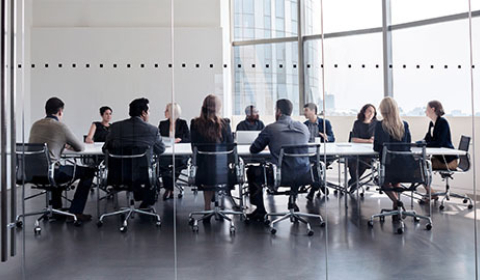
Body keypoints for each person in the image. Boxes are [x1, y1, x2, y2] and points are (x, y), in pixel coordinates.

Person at [29, 97, 95, 222]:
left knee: (55, 168)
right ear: (60, 112)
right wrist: (67, 144)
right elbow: (80, 147)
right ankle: (76, 212)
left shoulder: (35, 125)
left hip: (33, 172)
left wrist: (60, 143)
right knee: (88, 172)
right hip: (52, 172)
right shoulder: (60, 126)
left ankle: (56, 208)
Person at [247, 99, 311, 221]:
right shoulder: (304, 128)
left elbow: (254, 149)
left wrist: (270, 144)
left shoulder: (271, 128)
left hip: (280, 176)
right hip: (304, 175)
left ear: (279, 111)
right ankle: (292, 200)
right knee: (295, 165)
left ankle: (260, 211)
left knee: (252, 171)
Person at [103, 98, 165, 208]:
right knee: (153, 167)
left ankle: (139, 197)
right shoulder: (152, 130)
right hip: (143, 176)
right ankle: (145, 202)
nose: (149, 113)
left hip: (117, 175)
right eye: (148, 111)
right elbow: (161, 150)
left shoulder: (115, 127)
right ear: (143, 113)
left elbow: (105, 149)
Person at [190, 94, 234, 215]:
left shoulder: (195, 123)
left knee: (208, 170)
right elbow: (230, 146)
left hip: (203, 170)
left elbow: (194, 147)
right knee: (216, 169)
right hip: (223, 170)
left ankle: (207, 206)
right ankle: (219, 203)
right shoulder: (225, 123)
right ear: (218, 108)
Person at [373, 97, 411, 220]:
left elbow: (377, 147)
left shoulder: (380, 125)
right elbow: (408, 145)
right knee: (396, 179)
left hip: (388, 165)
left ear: (383, 110)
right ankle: (396, 207)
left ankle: (396, 201)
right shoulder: (404, 124)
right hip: (405, 166)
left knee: (382, 181)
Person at [420, 100, 458, 201]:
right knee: (419, 164)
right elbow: (427, 139)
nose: (425, 111)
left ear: (433, 109)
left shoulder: (443, 122)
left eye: (426, 109)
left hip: (449, 161)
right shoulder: (432, 123)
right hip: (440, 159)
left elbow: (439, 143)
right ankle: (431, 193)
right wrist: (418, 143)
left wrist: (424, 144)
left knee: (421, 166)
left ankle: (431, 193)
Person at [158, 103, 190, 200]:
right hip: (166, 151)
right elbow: (158, 138)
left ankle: (169, 189)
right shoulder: (162, 124)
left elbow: (188, 138)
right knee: (163, 163)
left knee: (177, 162)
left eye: (166, 110)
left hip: (179, 152)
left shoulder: (182, 123)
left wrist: (179, 140)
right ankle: (170, 188)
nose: (164, 112)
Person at [347, 104, 378, 193]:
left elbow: (376, 139)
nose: (371, 114)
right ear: (364, 112)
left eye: (373, 112)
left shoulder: (377, 123)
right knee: (351, 160)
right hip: (356, 150)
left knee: (365, 159)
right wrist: (368, 141)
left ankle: (354, 181)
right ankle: (355, 181)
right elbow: (353, 139)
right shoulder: (357, 123)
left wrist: (371, 140)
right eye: (369, 111)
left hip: (370, 152)